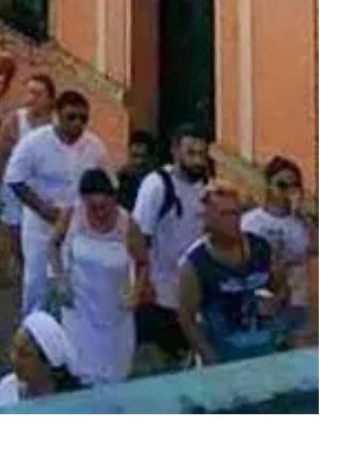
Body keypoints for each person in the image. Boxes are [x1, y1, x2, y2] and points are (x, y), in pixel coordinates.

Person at [4, 89, 109, 316]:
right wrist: (43, 209)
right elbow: (14, 178)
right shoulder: (35, 142)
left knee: (77, 285)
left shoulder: (95, 147)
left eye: (83, 119)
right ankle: (32, 337)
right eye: (71, 117)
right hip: (41, 227)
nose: (77, 124)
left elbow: (108, 185)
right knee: (38, 284)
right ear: (57, 115)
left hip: (80, 227)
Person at [50, 168, 147, 385]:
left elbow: (142, 263)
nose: (100, 213)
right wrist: (59, 279)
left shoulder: (127, 224)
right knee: (80, 369)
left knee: (114, 371)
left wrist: (136, 292)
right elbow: (54, 243)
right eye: (93, 208)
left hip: (115, 309)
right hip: (80, 308)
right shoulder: (71, 216)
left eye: (105, 207)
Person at [177, 180, 289, 365]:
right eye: (224, 214)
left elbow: (282, 289)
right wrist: (210, 358)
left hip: (265, 354)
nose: (232, 220)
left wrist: (276, 302)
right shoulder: (195, 264)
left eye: (235, 213)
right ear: (207, 217)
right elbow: (187, 319)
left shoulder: (260, 248)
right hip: (223, 356)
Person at [131, 122, 211, 369]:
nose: (198, 161)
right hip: (157, 298)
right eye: (191, 154)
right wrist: (142, 284)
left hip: (189, 300)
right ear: (175, 152)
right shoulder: (156, 186)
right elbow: (137, 237)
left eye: (202, 154)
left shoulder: (207, 188)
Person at [242, 156, 316, 346]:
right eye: (282, 185)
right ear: (269, 185)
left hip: (298, 302)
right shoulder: (252, 222)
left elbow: (316, 250)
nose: (287, 192)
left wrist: (304, 216)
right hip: (266, 303)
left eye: (294, 186)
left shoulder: (300, 224)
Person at [0, 72, 57, 266]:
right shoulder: (14, 122)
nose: (31, 98)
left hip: (44, 192)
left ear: (50, 99)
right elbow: (0, 156)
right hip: (15, 191)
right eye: (29, 93)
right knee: (16, 237)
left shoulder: (57, 125)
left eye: (37, 94)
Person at [0, 311, 84, 408]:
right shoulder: (7, 389)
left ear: (47, 363)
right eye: (14, 349)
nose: (14, 358)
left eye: (25, 354)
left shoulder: (71, 402)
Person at [116, 130, 161, 212]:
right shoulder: (121, 179)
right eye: (135, 156)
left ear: (152, 157)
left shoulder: (160, 183)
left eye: (143, 156)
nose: (138, 161)